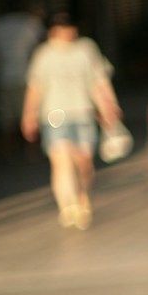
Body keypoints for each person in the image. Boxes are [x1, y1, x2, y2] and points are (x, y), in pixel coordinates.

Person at [22, 13, 120, 229]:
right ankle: (68, 205)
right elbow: (36, 87)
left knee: (84, 161)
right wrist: (29, 114)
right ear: (53, 31)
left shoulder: (86, 49)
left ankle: (82, 196)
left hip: (83, 112)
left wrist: (109, 107)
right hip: (54, 114)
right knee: (61, 160)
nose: (69, 33)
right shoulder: (44, 54)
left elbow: (99, 81)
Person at [0, 0, 44, 148]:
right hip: (28, 77)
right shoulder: (31, 23)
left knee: (7, 117)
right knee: (30, 113)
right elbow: (41, 45)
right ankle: (31, 150)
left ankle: (9, 149)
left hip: (5, 77)